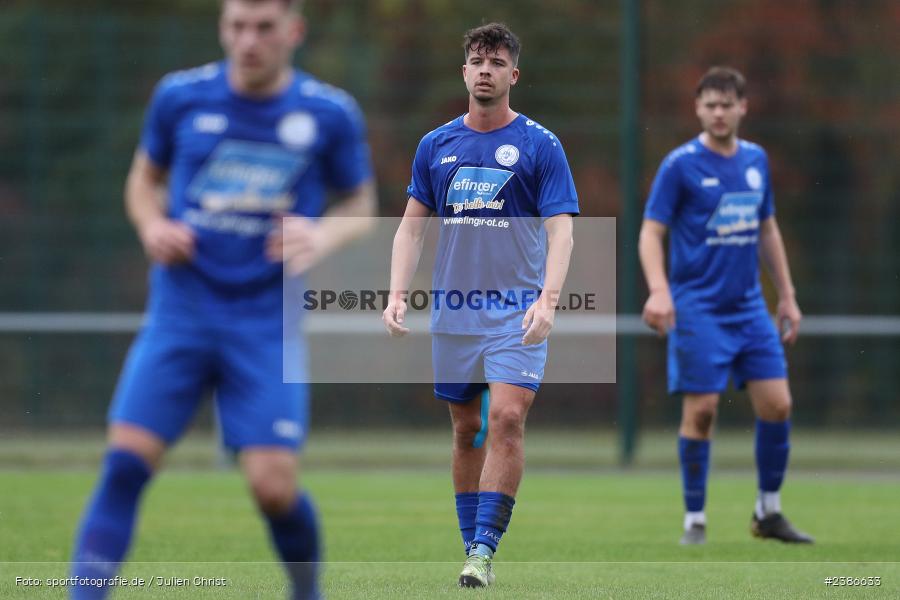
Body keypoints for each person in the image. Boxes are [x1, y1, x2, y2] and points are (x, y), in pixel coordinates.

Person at [69, 0, 376, 598]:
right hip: (180, 314)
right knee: (125, 463)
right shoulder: (179, 98)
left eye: (263, 27)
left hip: (265, 323)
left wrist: (321, 232)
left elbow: (360, 205)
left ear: (294, 31)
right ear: (223, 28)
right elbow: (143, 181)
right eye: (237, 26)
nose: (248, 41)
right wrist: (151, 225)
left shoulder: (328, 112)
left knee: (273, 487)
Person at [382, 22, 578, 588]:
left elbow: (561, 230)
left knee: (507, 417)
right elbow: (410, 231)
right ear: (464, 71)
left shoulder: (541, 145)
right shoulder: (435, 145)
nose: (485, 69)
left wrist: (549, 300)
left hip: (515, 311)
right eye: (476, 60)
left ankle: (484, 553)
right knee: (467, 428)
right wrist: (397, 294)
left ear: (513, 75)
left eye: (496, 61)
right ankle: (471, 545)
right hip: (455, 312)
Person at [639, 66, 813, 545]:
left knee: (778, 405)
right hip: (697, 307)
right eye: (710, 104)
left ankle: (768, 512)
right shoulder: (680, 165)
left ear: (743, 108)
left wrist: (789, 296)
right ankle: (695, 519)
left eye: (727, 104)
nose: (718, 112)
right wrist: (659, 289)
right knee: (703, 411)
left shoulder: (756, 160)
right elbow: (651, 232)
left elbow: (768, 229)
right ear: (698, 109)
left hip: (750, 308)